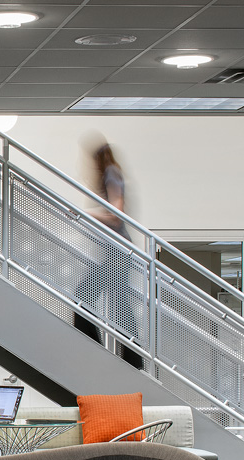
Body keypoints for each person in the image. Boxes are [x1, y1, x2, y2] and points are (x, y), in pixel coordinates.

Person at [73, 142, 144, 370]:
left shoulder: (111, 173)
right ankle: (133, 360)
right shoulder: (112, 174)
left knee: (84, 296)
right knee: (118, 304)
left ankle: (116, 355)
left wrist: (85, 214)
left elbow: (116, 216)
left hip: (118, 251)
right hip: (116, 251)